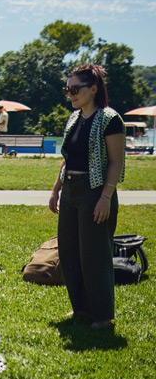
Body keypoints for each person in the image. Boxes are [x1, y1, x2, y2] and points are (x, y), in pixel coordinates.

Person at [49, 63, 125, 329]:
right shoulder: (74, 118)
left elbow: (116, 161)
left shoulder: (110, 119)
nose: (70, 94)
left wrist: (105, 197)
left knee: (95, 254)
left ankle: (102, 316)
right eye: (67, 89)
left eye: (75, 89)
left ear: (93, 89)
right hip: (70, 190)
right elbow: (67, 158)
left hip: (95, 192)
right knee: (70, 252)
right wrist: (56, 188)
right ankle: (81, 308)